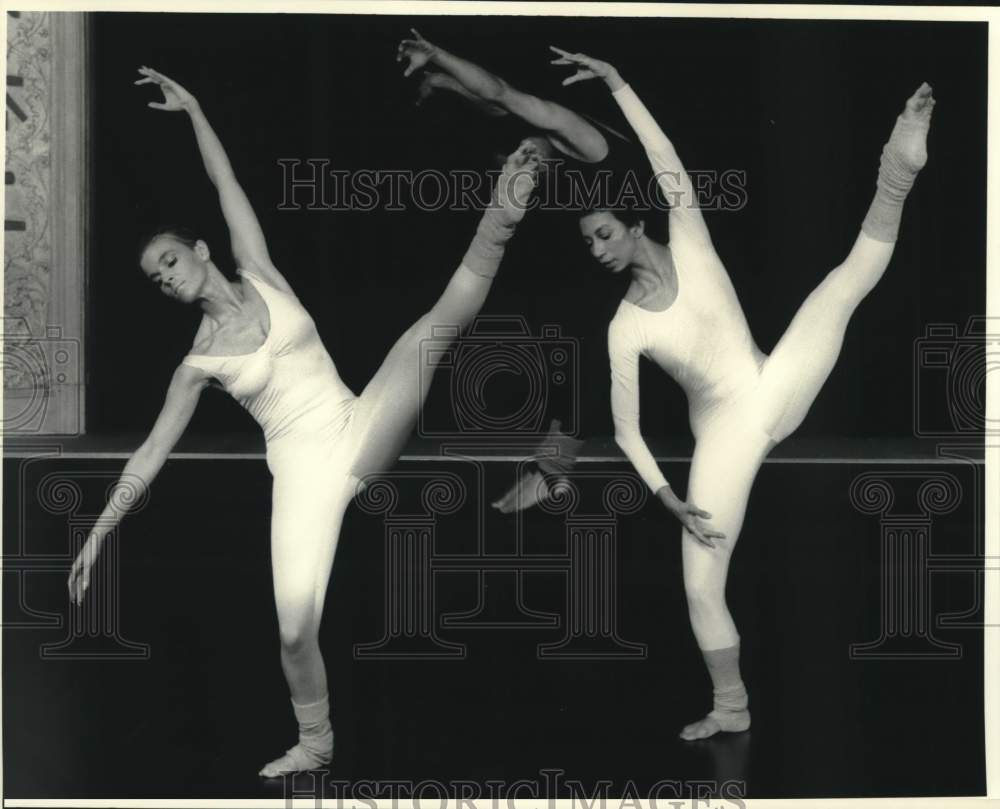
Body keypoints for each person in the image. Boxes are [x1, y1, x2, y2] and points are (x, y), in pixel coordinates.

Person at [67, 66, 541, 776]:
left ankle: (504, 208)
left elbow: (227, 185)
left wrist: (195, 108)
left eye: (170, 259)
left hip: (357, 421)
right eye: (155, 277)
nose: (166, 276)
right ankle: (316, 743)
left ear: (198, 251)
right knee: (293, 631)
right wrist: (98, 532)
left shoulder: (257, 268)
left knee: (428, 332)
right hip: (301, 473)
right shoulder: (198, 363)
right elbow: (150, 452)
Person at [502, 48, 933, 740]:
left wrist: (618, 79)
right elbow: (629, 431)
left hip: (774, 385)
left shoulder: (690, 237)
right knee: (700, 584)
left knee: (843, 284)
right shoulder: (624, 328)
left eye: (605, 232)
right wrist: (668, 498)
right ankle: (731, 707)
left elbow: (662, 152)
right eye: (587, 242)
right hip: (727, 434)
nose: (597, 249)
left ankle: (897, 170)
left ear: (637, 223)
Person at [396, 28, 617, 165]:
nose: (526, 160)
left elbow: (500, 94)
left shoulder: (590, 147)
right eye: (533, 169)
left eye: (520, 157)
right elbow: (499, 102)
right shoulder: (588, 148)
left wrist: (436, 56)